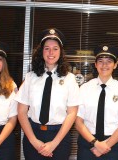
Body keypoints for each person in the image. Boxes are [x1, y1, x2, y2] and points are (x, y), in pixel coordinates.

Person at [15, 28, 80, 159]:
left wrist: (54, 144)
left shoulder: (69, 79)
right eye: (47, 48)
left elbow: (72, 113)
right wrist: (34, 141)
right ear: (41, 51)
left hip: (60, 136)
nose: (51, 52)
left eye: (55, 48)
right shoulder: (30, 77)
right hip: (33, 134)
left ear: (61, 52)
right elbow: (21, 111)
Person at [75, 45, 118, 160]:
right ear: (95, 65)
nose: (104, 65)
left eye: (109, 61)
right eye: (100, 61)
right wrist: (96, 143)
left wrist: (106, 145)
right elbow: (78, 122)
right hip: (87, 144)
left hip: (113, 146)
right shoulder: (84, 89)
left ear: (115, 65)